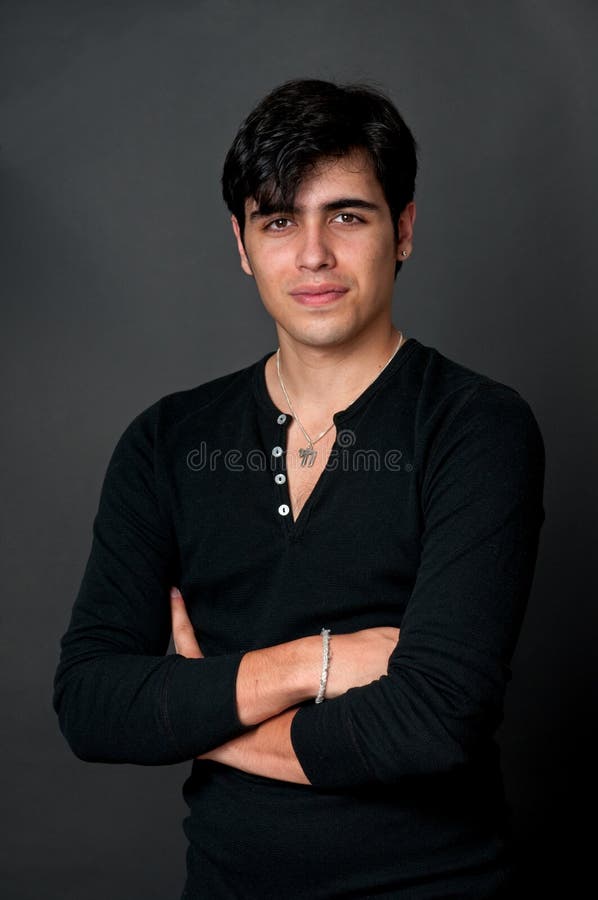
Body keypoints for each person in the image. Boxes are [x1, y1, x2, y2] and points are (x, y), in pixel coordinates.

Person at [53, 78, 545, 898]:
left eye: (346, 215)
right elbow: (91, 703)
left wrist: (198, 714)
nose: (313, 254)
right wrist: (312, 664)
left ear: (404, 231)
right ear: (243, 245)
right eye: (279, 220)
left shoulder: (475, 426)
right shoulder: (167, 441)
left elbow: (431, 722)